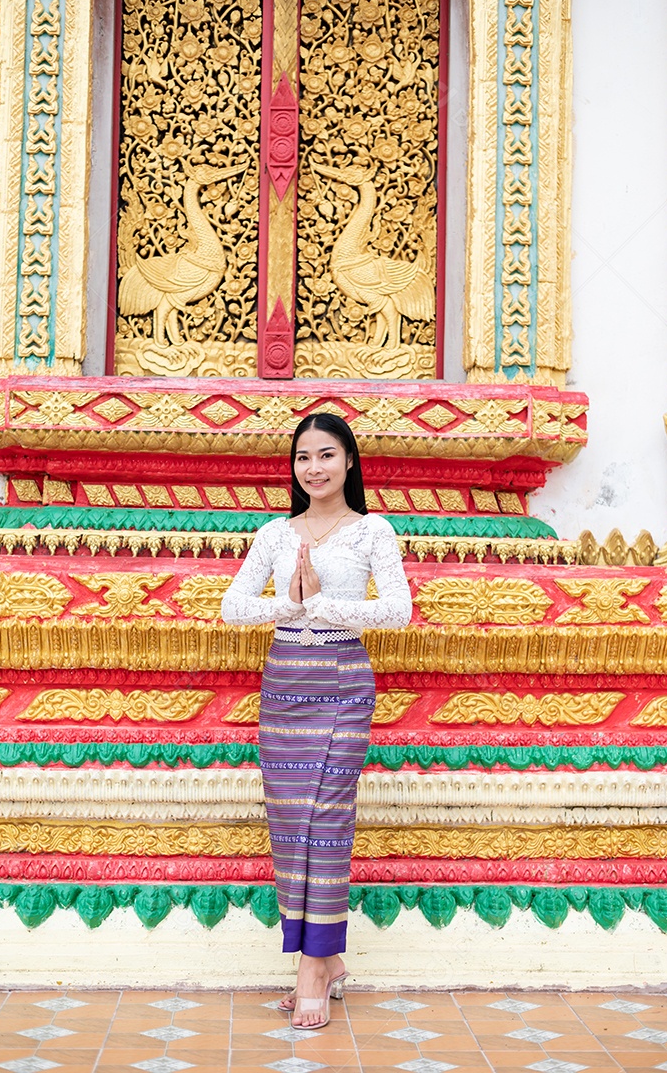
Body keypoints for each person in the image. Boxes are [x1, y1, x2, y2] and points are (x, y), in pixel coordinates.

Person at [221, 412, 412, 1028]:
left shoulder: (372, 530)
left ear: (349, 461)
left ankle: (312, 965)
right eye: (304, 457)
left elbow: (400, 612)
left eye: (326, 456)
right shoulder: (276, 533)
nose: (314, 468)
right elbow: (233, 608)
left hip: (342, 682)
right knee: (287, 822)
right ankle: (326, 961)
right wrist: (290, 603)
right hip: (285, 685)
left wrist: (324, 605)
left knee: (327, 820)